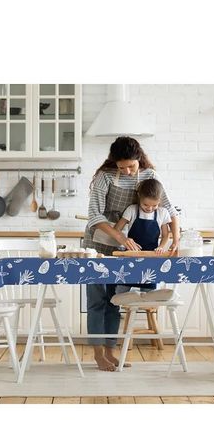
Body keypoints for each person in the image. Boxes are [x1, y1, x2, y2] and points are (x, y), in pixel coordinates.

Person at [83, 136, 180, 371]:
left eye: (131, 166)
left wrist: (176, 239)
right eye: (122, 167)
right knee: (97, 301)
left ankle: (110, 352)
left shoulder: (149, 176)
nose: (127, 171)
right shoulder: (105, 177)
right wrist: (121, 238)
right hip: (100, 243)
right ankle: (98, 355)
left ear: (139, 159)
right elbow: (95, 215)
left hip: (125, 250)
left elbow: (169, 209)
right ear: (114, 163)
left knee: (114, 300)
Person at [113, 178, 171, 294]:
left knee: (149, 296)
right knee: (120, 293)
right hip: (130, 259)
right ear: (139, 197)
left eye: (154, 205)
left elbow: (166, 235)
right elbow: (116, 229)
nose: (149, 208)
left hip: (151, 260)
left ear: (160, 200)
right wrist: (125, 239)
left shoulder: (163, 212)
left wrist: (161, 247)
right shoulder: (132, 210)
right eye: (145, 204)